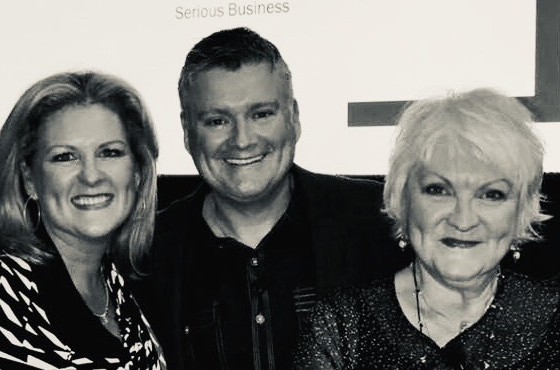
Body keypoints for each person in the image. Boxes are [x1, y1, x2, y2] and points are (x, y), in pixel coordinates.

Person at [135, 27, 407, 370]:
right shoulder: (147, 254)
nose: (242, 140)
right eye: (217, 121)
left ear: (293, 118)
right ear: (188, 132)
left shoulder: (380, 222)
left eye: (261, 114)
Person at [293, 88, 560, 369]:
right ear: (401, 199)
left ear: (522, 211)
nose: (463, 219)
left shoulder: (559, 319)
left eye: (491, 194)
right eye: (439, 190)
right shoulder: (343, 325)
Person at [0, 71, 167, 369]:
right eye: (65, 157)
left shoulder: (133, 289)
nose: (91, 176)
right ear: (30, 179)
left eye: (110, 153)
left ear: (138, 173)